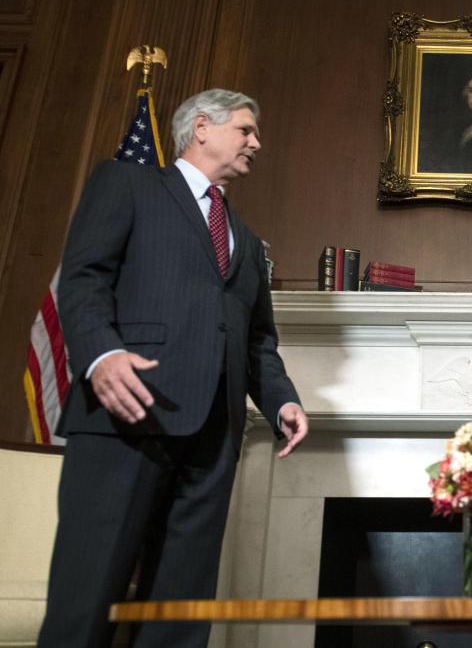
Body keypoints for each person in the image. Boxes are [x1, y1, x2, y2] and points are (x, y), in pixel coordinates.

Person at [37, 89, 308, 648]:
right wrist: (102, 354)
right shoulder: (127, 183)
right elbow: (84, 278)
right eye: (246, 130)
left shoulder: (249, 242)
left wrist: (282, 399)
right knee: (89, 590)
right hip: (127, 409)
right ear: (202, 127)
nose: (257, 142)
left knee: (182, 601)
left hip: (214, 431)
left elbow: (258, 339)